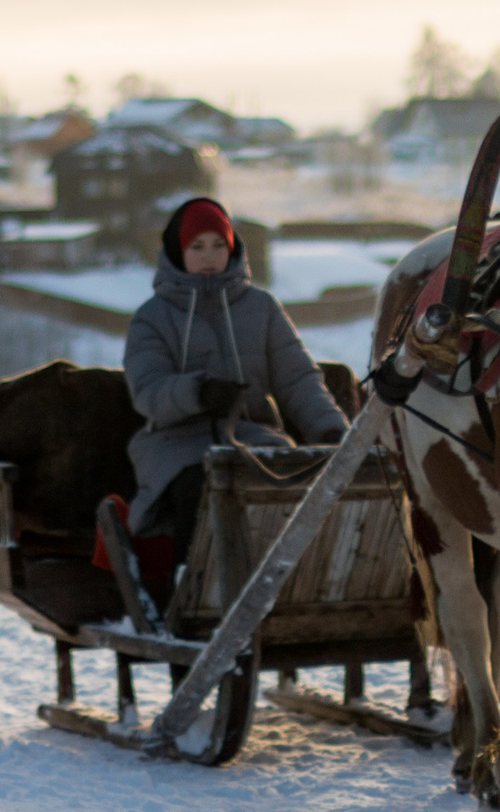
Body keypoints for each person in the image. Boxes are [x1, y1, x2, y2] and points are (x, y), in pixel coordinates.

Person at [123, 198, 349, 573]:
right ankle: (188, 587)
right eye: (197, 246)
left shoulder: (261, 307)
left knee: (288, 481)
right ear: (178, 253)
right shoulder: (151, 318)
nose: (209, 256)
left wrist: (329, 428)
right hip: (175, 444)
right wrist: (198, 392)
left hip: (253, 436)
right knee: (200, 485)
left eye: (219, 245)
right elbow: (147, 391)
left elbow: (297, 377)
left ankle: (288, 584)